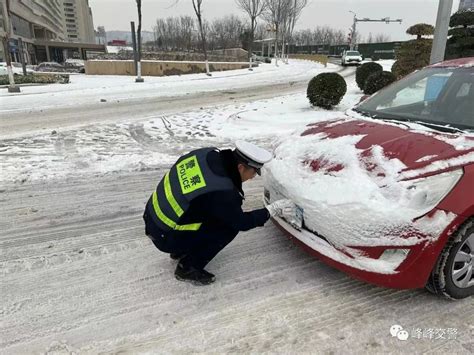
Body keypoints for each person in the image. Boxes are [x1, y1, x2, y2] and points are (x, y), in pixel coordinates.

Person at [143, 141, 296, 285]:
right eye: (253, 172)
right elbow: (241, 222)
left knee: (207, 211)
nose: (253, 177)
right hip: (165, 236)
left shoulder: (204, 154)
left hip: (154, 219)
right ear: (241, 168)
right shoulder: (222, 191)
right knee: (227, 228)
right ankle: (187, 268)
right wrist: (271, 210)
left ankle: (181, 249)